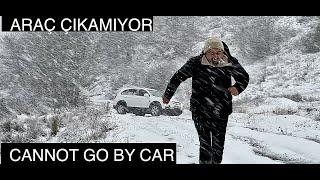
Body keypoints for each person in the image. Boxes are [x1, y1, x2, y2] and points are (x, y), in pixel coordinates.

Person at [162, 37, 249, 164]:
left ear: (223, 52)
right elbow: (178, 77)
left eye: (218, 52)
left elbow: (244, 78)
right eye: (212, 53)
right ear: (205, 52)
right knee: (205, 145)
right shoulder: (195, 63)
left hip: (222, 110)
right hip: (200, 110)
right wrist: (167, 95)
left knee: (218, 146)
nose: (215, 56)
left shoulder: (229, 62)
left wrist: (238, 87)